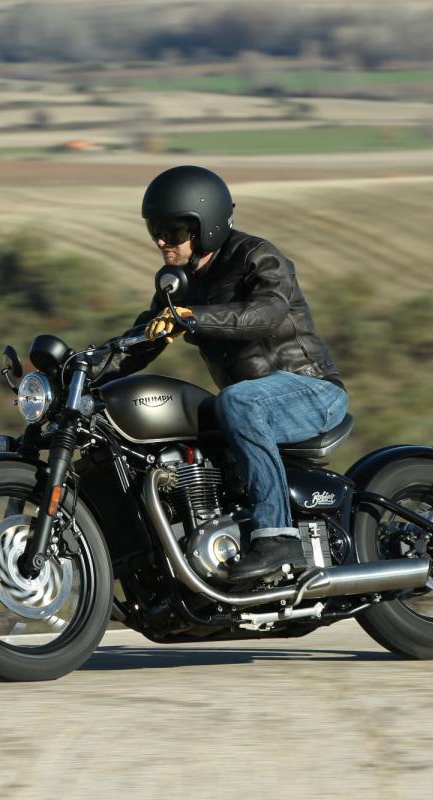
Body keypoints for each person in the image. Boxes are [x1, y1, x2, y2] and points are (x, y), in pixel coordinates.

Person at [98, 165, 348, 581]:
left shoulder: (256, 257)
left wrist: (191, 317)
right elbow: (141, 339)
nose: (162, 240)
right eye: (155, 229)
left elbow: (266, 314)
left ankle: (279, 537)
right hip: (250, 403)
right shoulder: (179, 283)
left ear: (206, 227)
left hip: (311, 391)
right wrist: (80, 369)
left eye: (174, 230)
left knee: (237, 400)